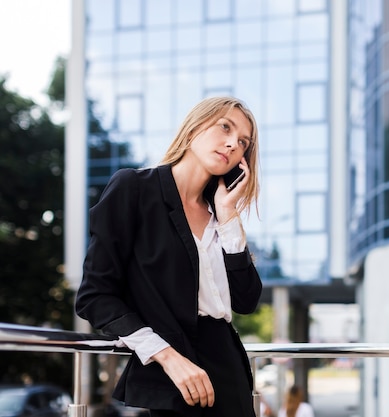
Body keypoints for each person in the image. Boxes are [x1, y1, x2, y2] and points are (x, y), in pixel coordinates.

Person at [75, 96, 263, 417]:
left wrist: (229, 216)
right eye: (225, 127)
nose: (233, 144)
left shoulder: (220, 214)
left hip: (228, 368)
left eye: (243, 141)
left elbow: (246, 301)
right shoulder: (134, 188)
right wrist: (166, 355)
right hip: (175, 372)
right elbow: (95, 296)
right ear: (193, 127)